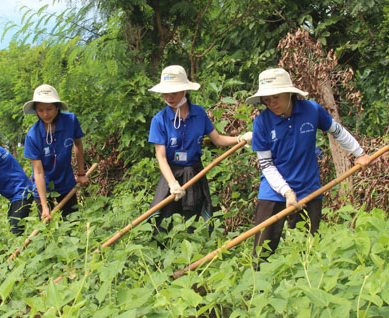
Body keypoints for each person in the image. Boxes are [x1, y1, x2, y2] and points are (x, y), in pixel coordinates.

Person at [247, 67, 372, 258]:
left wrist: (359, 153)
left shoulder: (311, 110)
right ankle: (258, 286)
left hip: (309, 188)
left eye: (276, 97)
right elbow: (266, 165)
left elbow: (336, 131)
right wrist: (287, 192)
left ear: (289, 93)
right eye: (267, 99)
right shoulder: (261, 123)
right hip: (273, 190)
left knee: (306, 247)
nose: (271, 103)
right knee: (262, 249)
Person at [147, 65, 252, 234]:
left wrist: (239, 139)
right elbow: (161, 157)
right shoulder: (159, 120)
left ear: (185, 90)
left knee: (196, 216)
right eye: (166, 92)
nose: (169, 96)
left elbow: (217, 139)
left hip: (194, 171)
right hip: (171, 173)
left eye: (174, 91)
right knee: (161, 217)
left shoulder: (199, 113)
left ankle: (198, 246)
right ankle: (161, 249)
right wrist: (172, 183)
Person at [23, 84, 88, 221]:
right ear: (35, 111)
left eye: (49, 109)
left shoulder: (70, 121)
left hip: (66, 183)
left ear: (57, 107)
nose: (45, 114)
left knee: (73, 222)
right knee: (47, 229)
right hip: (43, 188)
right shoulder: (32, 136)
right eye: (40, 110)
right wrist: (44, 205)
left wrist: (81, 173)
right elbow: (38, 172)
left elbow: (78, 144)